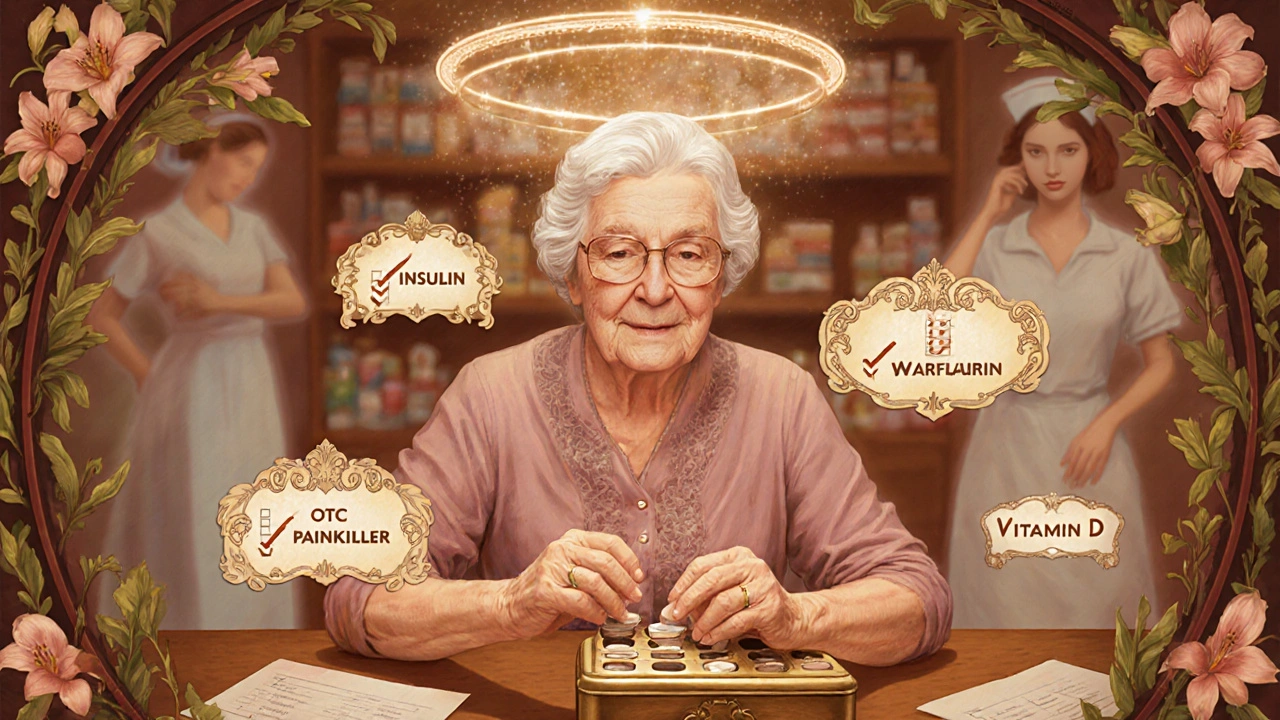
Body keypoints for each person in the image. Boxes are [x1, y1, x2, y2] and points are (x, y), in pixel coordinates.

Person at [325, 112, 951, 665]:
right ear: (573, 277)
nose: (655, 290)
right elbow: (360, 595)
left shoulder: (781, 397)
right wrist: (512, 603)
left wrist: (797, 617)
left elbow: (916, 597)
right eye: (620, 254)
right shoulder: (491, 395)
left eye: (688, 254)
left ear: (722, 277)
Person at [943, 76, 1182, 628]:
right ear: (1018, 159)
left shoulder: (1123, 254)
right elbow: (938, 313)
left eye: (1068, 150)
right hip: (1006, 445)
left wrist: (1106, 423)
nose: (1052, 167)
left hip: (1088, 451)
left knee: (1099, 611)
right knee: (1003, 607)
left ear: (1090, 153)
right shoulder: (996, 247)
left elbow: (1161, 361)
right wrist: (986, 214)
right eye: (1036, 151)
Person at [89, 120, 306, 629]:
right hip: (192, 386)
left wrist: (218, 301)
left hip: (250, 379)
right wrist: (148, 374)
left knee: (255, 511)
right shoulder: (160, 232)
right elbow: (99, 315)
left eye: (257, 168)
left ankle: (254, 641)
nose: (249, 177)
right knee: (198, 509)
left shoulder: (253, 228)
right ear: (211, 152)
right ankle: (192, 643)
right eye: (243, 163)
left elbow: (291, 300)